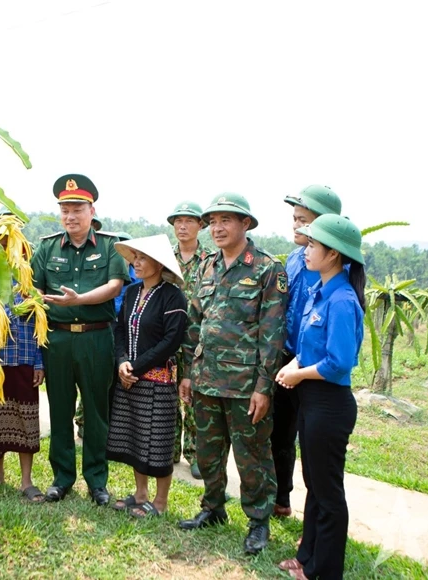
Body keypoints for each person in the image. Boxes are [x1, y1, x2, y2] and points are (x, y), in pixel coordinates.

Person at [177, 193, 287, 555]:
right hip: (207, 379)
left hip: (244, 387)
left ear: (246, 224)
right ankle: (212, 508)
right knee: (208, 453)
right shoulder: (207, 266)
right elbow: (195, 321)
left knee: (252, 456)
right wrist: (190, 373)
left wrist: (263, 387)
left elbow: (271, 336)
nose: (217, 228)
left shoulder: (267, 269)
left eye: (227, 220)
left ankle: (258, 522)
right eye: (213, 221)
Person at [275, 214, 365, 580]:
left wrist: (297, 373)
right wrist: (293, 363)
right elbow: (308, 345)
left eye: (313, 245)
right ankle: (305, 558)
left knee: (328, 493)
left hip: (329, 404)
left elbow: (338, 362)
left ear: (333, 254)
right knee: (314, 485)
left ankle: (324, 571)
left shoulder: (342, 300)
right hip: (311, 400)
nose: (307, 249)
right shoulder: (319, 291)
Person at [31, 174, 130, 506]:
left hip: (96, 338)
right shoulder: (46, 247)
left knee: (96, 411)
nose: (70, 216)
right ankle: (62, 479)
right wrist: (40, 299)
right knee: (59, 410)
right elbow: (34, 289)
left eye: (77, 209)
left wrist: (78, 300)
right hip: (56, 341)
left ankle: (97, 480)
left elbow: (116, 285)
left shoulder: (108, 245)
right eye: (65, 210)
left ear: (92, 210)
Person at [272, 185, 342, 517]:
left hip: (316, 367)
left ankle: (316, 514)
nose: (297, 227)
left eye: (304, 221)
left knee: (313, 444)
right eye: (295, 219)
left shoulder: (340, 271)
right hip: (289, 359)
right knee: (280, 432)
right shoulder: (294, 258)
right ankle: (281, 498)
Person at [106, 234, 188, 518]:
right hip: (129, 377)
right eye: (134, 258)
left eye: (141, 258)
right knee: (134, 437)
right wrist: (122, 362)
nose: (135, 264)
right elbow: (119, 331)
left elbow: (171, 340)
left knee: (158, 442)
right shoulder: (130, 293)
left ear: (158, 263)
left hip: (157, 381)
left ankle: (160, 502)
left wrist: (136, 368)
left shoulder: (172, 296)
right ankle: (140, 494)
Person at [0, 245, 46, 502]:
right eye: (0, 245)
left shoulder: (28, 278)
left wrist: (39, 362)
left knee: (26, 419)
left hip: (25, 358)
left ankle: (27, 481)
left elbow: (40, 324)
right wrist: (8, 312)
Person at [75, 231, 135, 441]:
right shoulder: (102, 276)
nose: (122, 257)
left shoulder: (137, 279)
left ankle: (114, 430)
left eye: (126, 252)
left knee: (119, 382)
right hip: (103, 329)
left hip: (127, 335)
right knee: (95, 379)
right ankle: (85, 425)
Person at [167, 201, 209, 479]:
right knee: (167, 394)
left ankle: (194, 453)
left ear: (200, 226)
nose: (182, 226)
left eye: (189, 221)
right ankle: (168, 449)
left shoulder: (210, 261)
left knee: (193, 397)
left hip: (197, 339)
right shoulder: (164, 258)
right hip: (168, 338)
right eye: (178, 221)